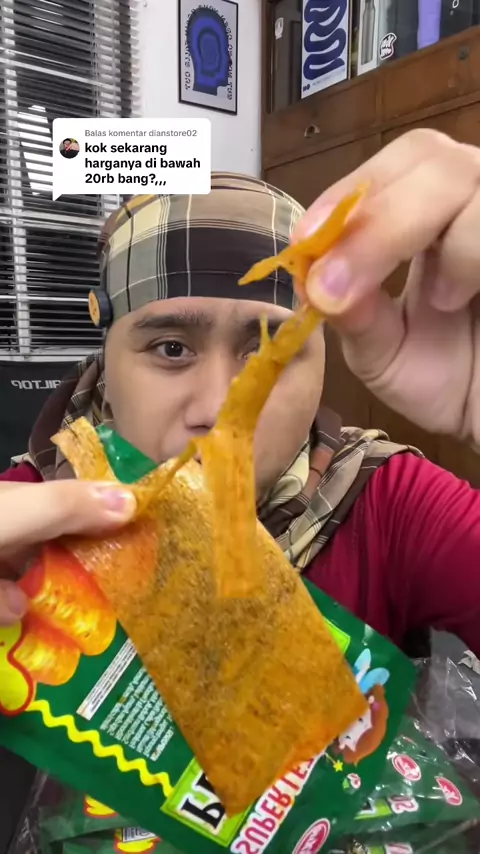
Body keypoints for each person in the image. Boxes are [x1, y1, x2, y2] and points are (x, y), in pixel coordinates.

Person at [1, 129, 480, 659]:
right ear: (106, 365)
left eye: (267, 355)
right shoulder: (22, 528)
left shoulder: (390, 505)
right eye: (172, 349)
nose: (218, 412)